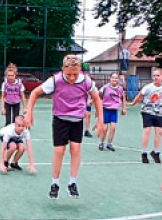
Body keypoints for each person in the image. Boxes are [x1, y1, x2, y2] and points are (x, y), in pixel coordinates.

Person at [25, 55, 103, 199]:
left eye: (75, 74)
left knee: (76, 149)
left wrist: (100, 120)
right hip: (60, 118)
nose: (72, 78)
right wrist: (29, 113)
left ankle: (72, 183)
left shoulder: (86, 81)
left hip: (77, 119)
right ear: (63, 70)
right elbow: (35, 93)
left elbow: (97, 98)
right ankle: (55, 183)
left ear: (80, 70)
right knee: (60, 151)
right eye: (69, 74)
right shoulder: (56, 80)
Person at [128, 67, 162, 163]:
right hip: (147, 111)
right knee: (147, 131)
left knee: (159, 132)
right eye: (154, 75)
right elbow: (140, 95)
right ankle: (144, 153)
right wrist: (133, 103)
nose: (155, 77)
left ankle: (156, 152)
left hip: (158, 112)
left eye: (158, 75)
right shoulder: (148, 87)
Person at [98, 73, 126, 151]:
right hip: (106, 109)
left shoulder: (120, 88)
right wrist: (97, 105)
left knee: (113, 128)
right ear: (110, 79)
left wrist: (124, 108)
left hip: (114, 110)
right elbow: (98, 96)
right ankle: (101, 142)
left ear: (118, 79)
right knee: (105, 128)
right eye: (113, 78)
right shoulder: (105, 88)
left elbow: (123, 98)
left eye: (116, 78)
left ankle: (109, 144)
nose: (114, 79)